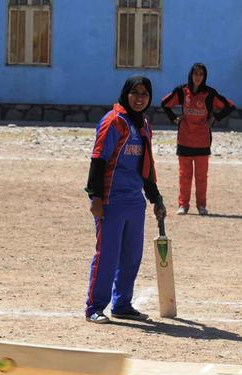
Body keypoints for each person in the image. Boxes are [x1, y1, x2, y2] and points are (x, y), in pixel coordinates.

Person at [83, 76, 168, 324]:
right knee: (107, 255)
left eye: (145, 94)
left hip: (134, 200)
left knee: (131, 256)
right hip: (111, 200)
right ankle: (94, 307)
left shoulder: (143, 125)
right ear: (126, 94)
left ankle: (121, 304)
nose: (140, 98)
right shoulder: (113, 122)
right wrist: (95, 197)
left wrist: (156, 198)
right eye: (135, 93)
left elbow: (146, 167)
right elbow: (98, 160)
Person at [159, 63, 235, 215]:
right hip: (185, 139)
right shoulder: (182, 91)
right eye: (195, 74)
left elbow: (229, 106)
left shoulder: (210, 93)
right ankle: (183, 205)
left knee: (201, 177)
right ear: (191, 75)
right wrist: (174, 118)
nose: (198, 77)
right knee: (184, 175)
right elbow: (164, 103)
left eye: (201, 74)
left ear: (204, 76)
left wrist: (214, 118)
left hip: (202, 140)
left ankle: (201, 206)